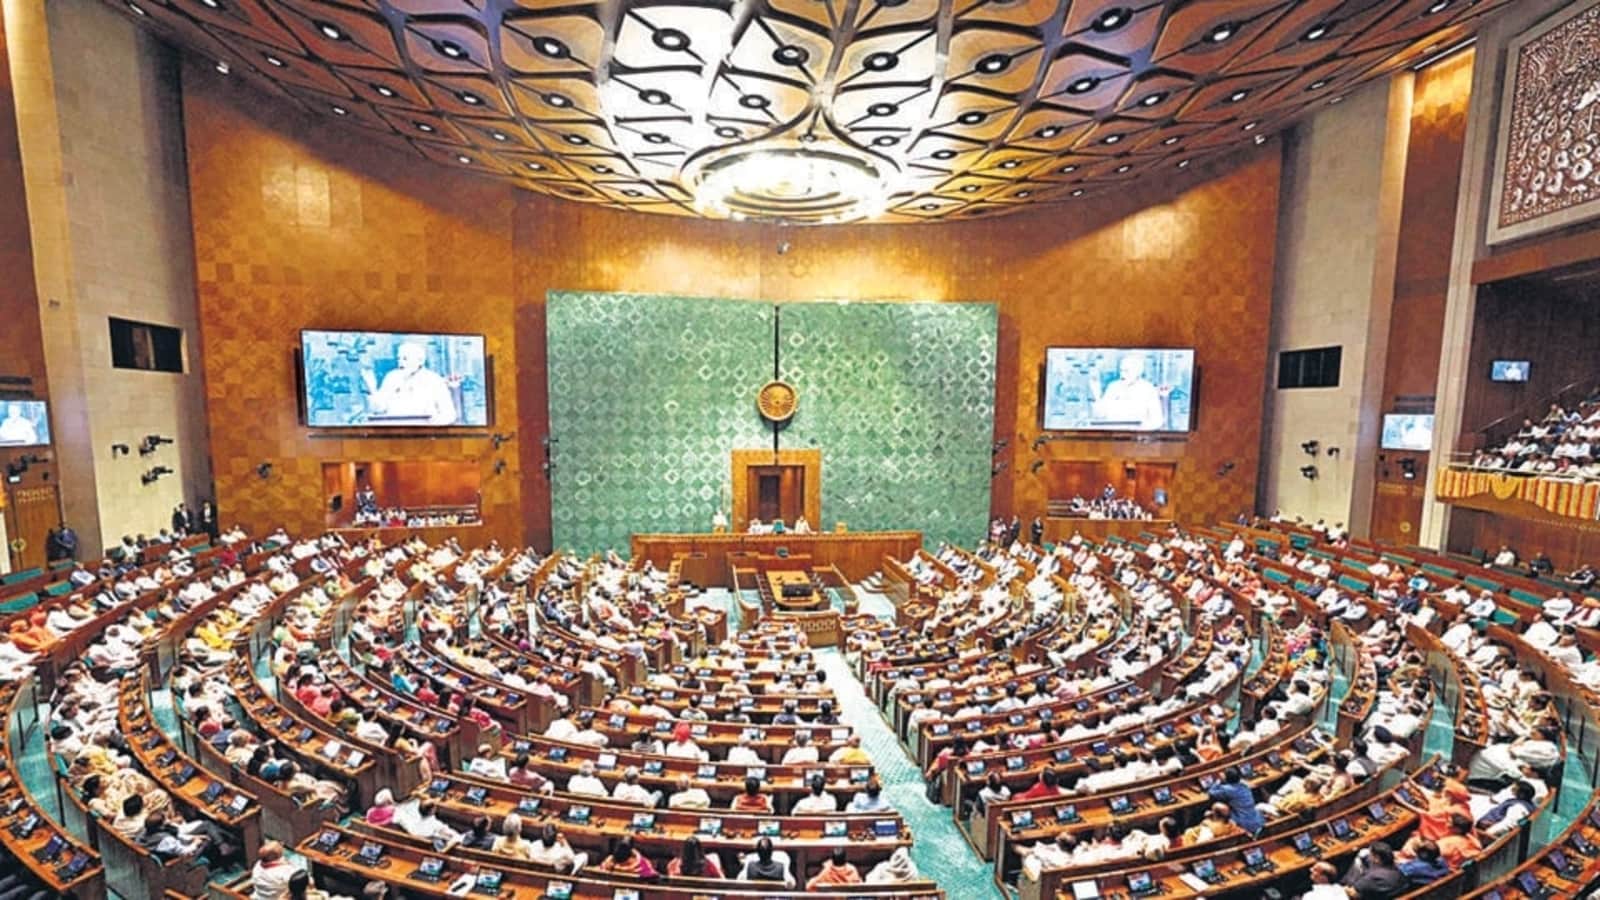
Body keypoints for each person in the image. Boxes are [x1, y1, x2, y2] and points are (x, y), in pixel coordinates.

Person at [362, 341, 458, 425]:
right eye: (399, 359)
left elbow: (449, 414)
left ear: (420, 361)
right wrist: (372, 388)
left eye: (405, 359)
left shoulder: (434, 380)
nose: (401, 362)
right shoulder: (392, 377)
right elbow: (379, 408)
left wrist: (433, 423)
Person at [1090, 353, 1165, 430]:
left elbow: (1157, 421)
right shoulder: (1113, 387)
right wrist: (1097, 396)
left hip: (1137, 437)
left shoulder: (1148, 389)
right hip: (1114, 435)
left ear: (1137, 372)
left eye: (1126, 371)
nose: (1122, 375)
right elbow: (1100, 414)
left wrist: (1139, 429)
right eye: (1121, 370)